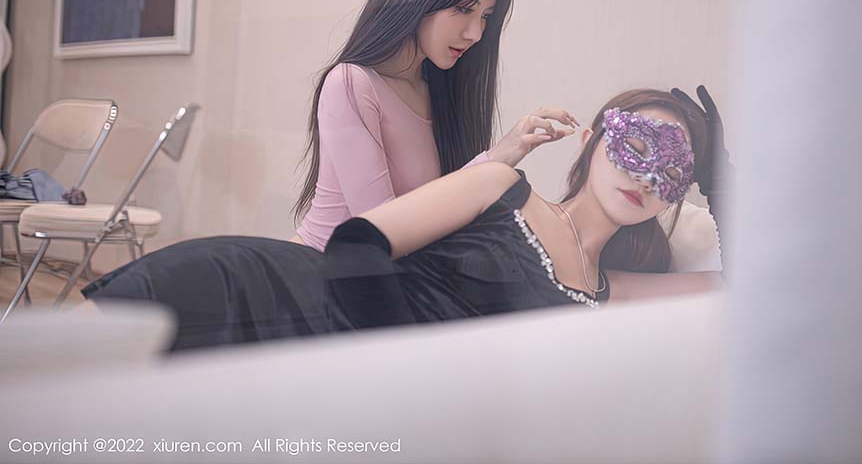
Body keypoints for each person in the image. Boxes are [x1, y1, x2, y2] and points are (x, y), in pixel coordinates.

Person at [83, 88, 729, 352]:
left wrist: (724, 186)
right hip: (261, 296)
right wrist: (397, 380)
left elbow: (745, 287)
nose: (647, 176)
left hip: (319, 390)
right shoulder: (502, 186)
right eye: (637, 145)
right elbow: (357, 242)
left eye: (674, 168)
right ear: (590, 140)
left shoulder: (612, 291)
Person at [292, 0, 578, 251]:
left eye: (485, 16)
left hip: (381, 278)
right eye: (464, 9)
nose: (475, 34)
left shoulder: (438, 90)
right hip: (317, 273)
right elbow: (383, 231)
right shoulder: (351, 84)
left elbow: (442, 216)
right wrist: (497, 159)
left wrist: (507, 153)